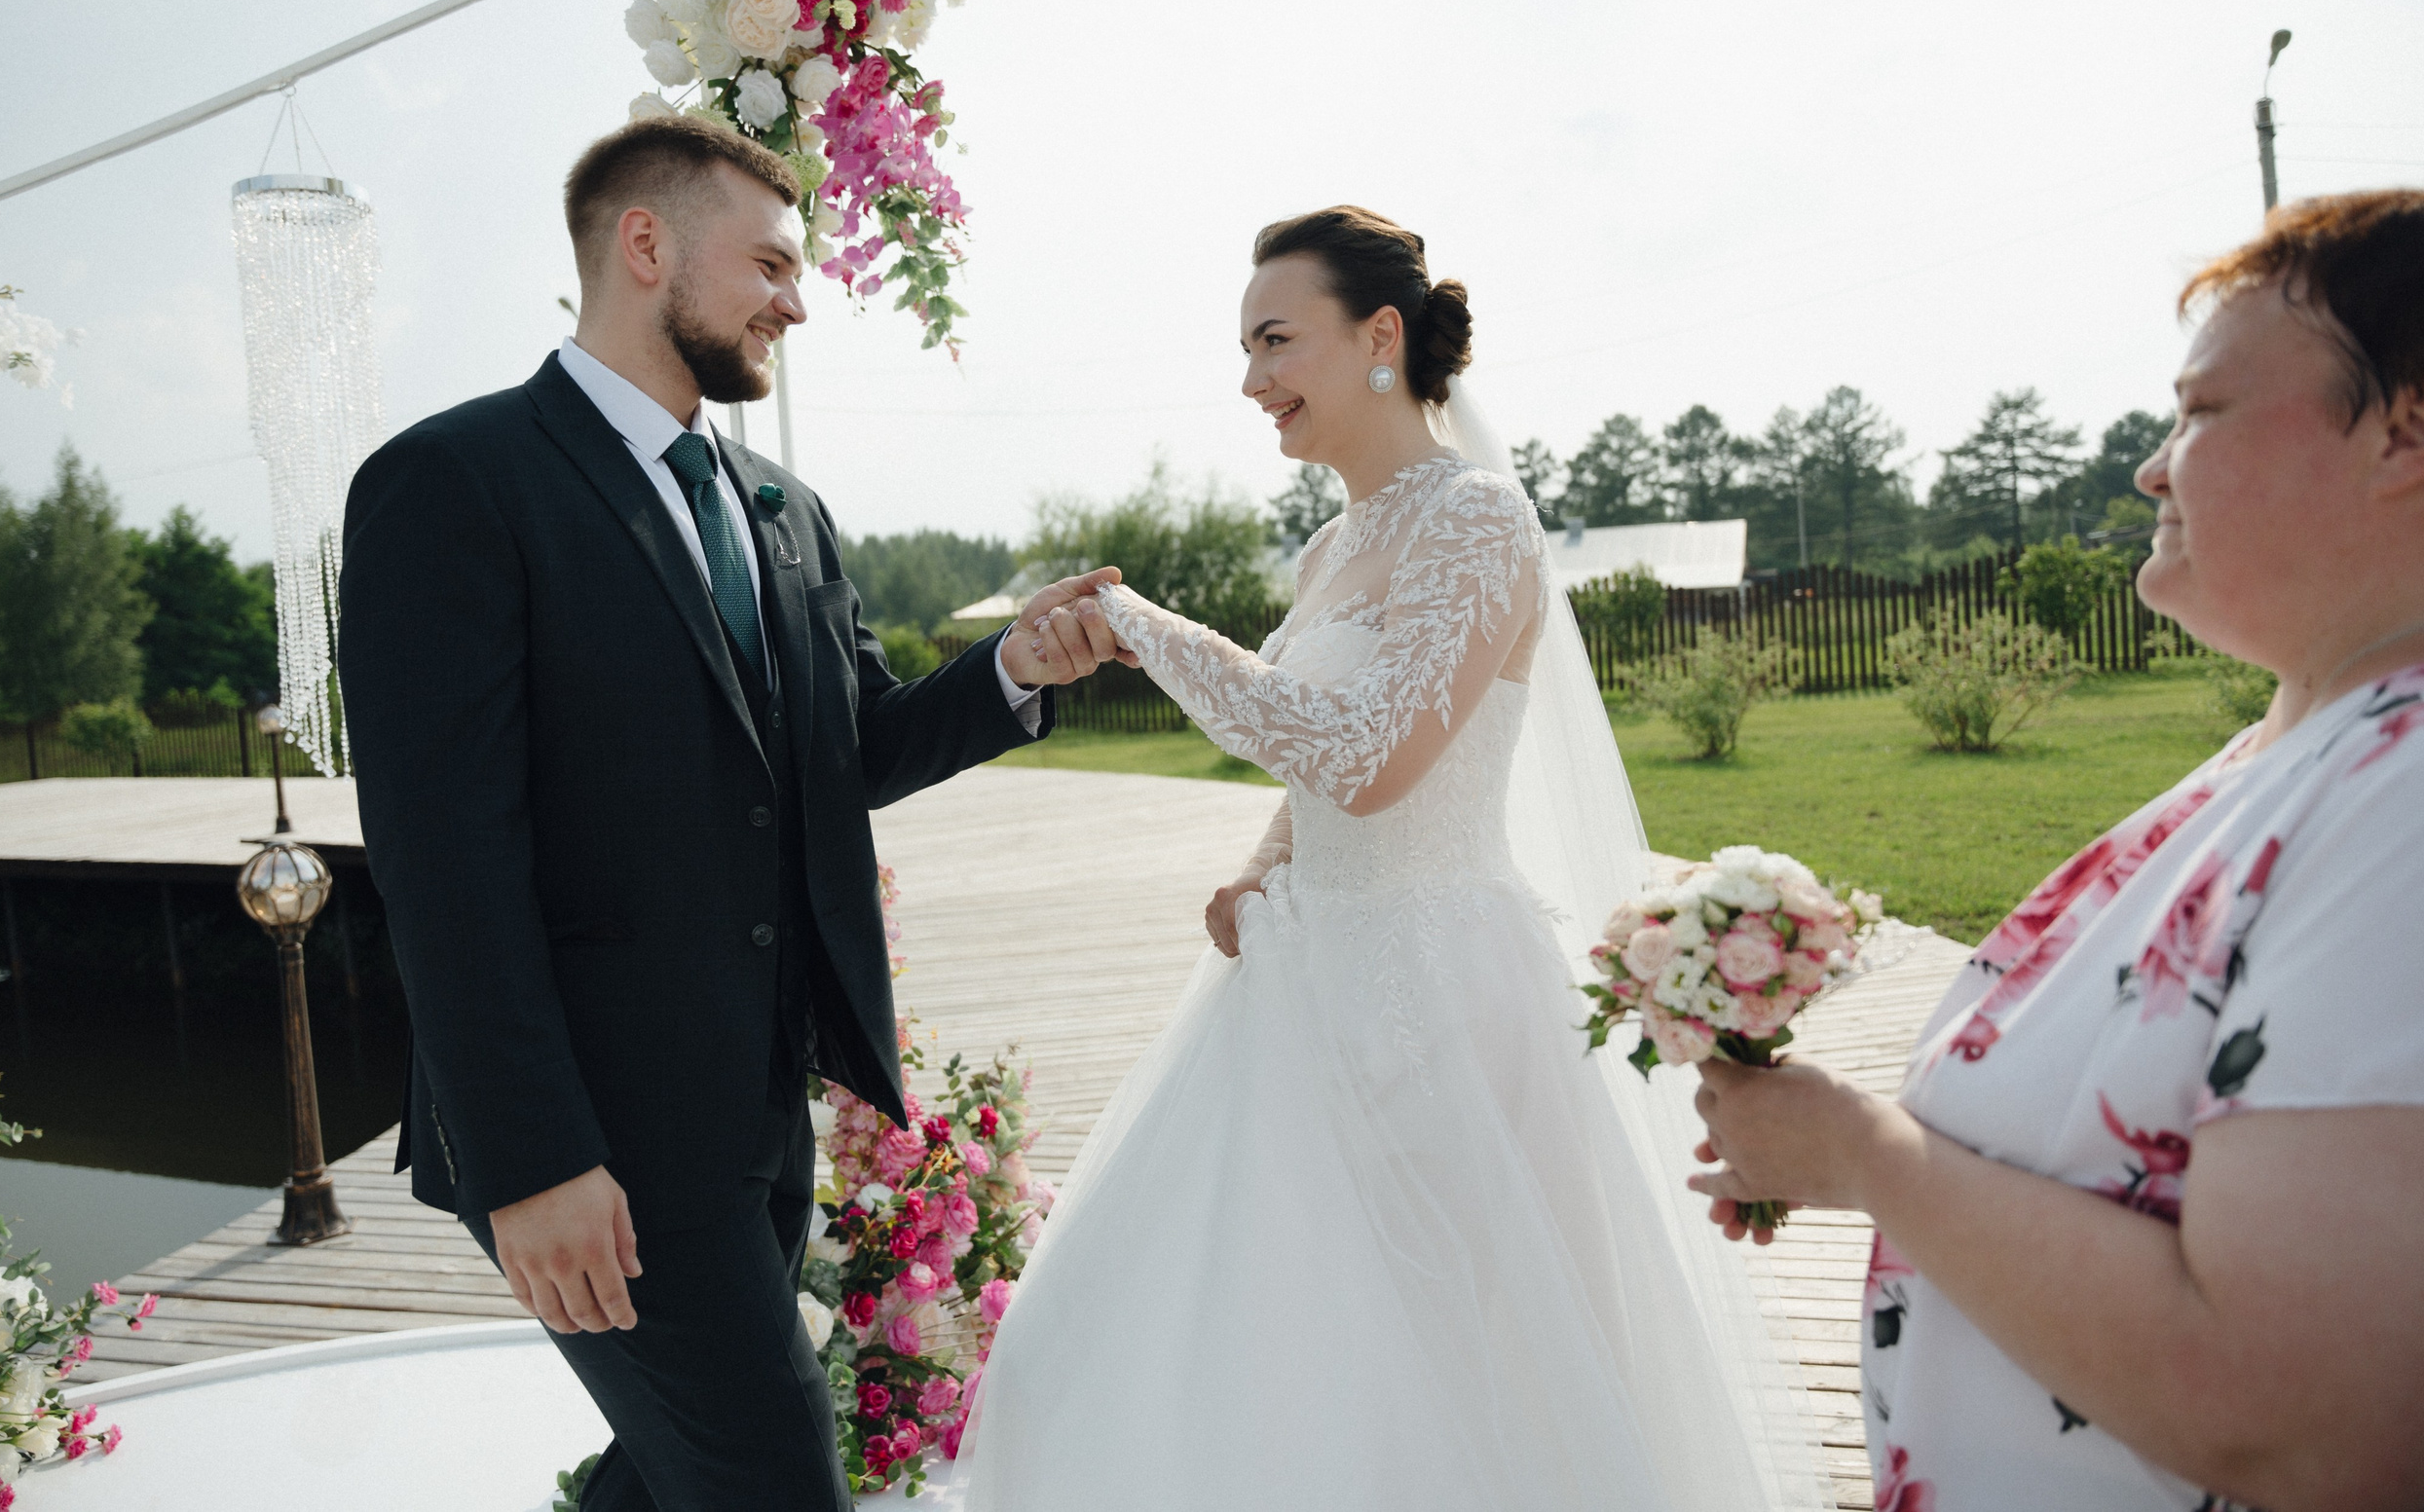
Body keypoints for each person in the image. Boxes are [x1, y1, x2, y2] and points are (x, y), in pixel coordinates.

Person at [951, 207, 1829, 1510]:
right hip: (1299, 988)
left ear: (1379, 338)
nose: (1252, 380)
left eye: (1274, 341)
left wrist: (1146, 628)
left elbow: (1375, 753)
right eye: (1245, 350)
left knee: (1449, 1370)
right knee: (1174, 1350)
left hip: (1439, 1003)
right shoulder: (1334, 544)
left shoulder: (1477, 520)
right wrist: (1264, 859)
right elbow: (1327, 756)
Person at [336, 114, 1126, 1512]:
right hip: (591, 1135)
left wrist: (1013, 666)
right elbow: (445, 859)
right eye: (769, 264)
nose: (795, 302)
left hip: (760, 1107)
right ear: (645, 245)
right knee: (774, 1480)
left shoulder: (785, 510)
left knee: (668, 1477)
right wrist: (535, 1161)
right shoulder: (453, 482)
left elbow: (849, 750)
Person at [1686, 188, 2424, 1512]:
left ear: (2405, 432)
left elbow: (2301, 1423)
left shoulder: (2408, 797)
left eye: (2202, 411)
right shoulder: (2301, 747)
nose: (2152, 469)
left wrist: (1862, 1154)